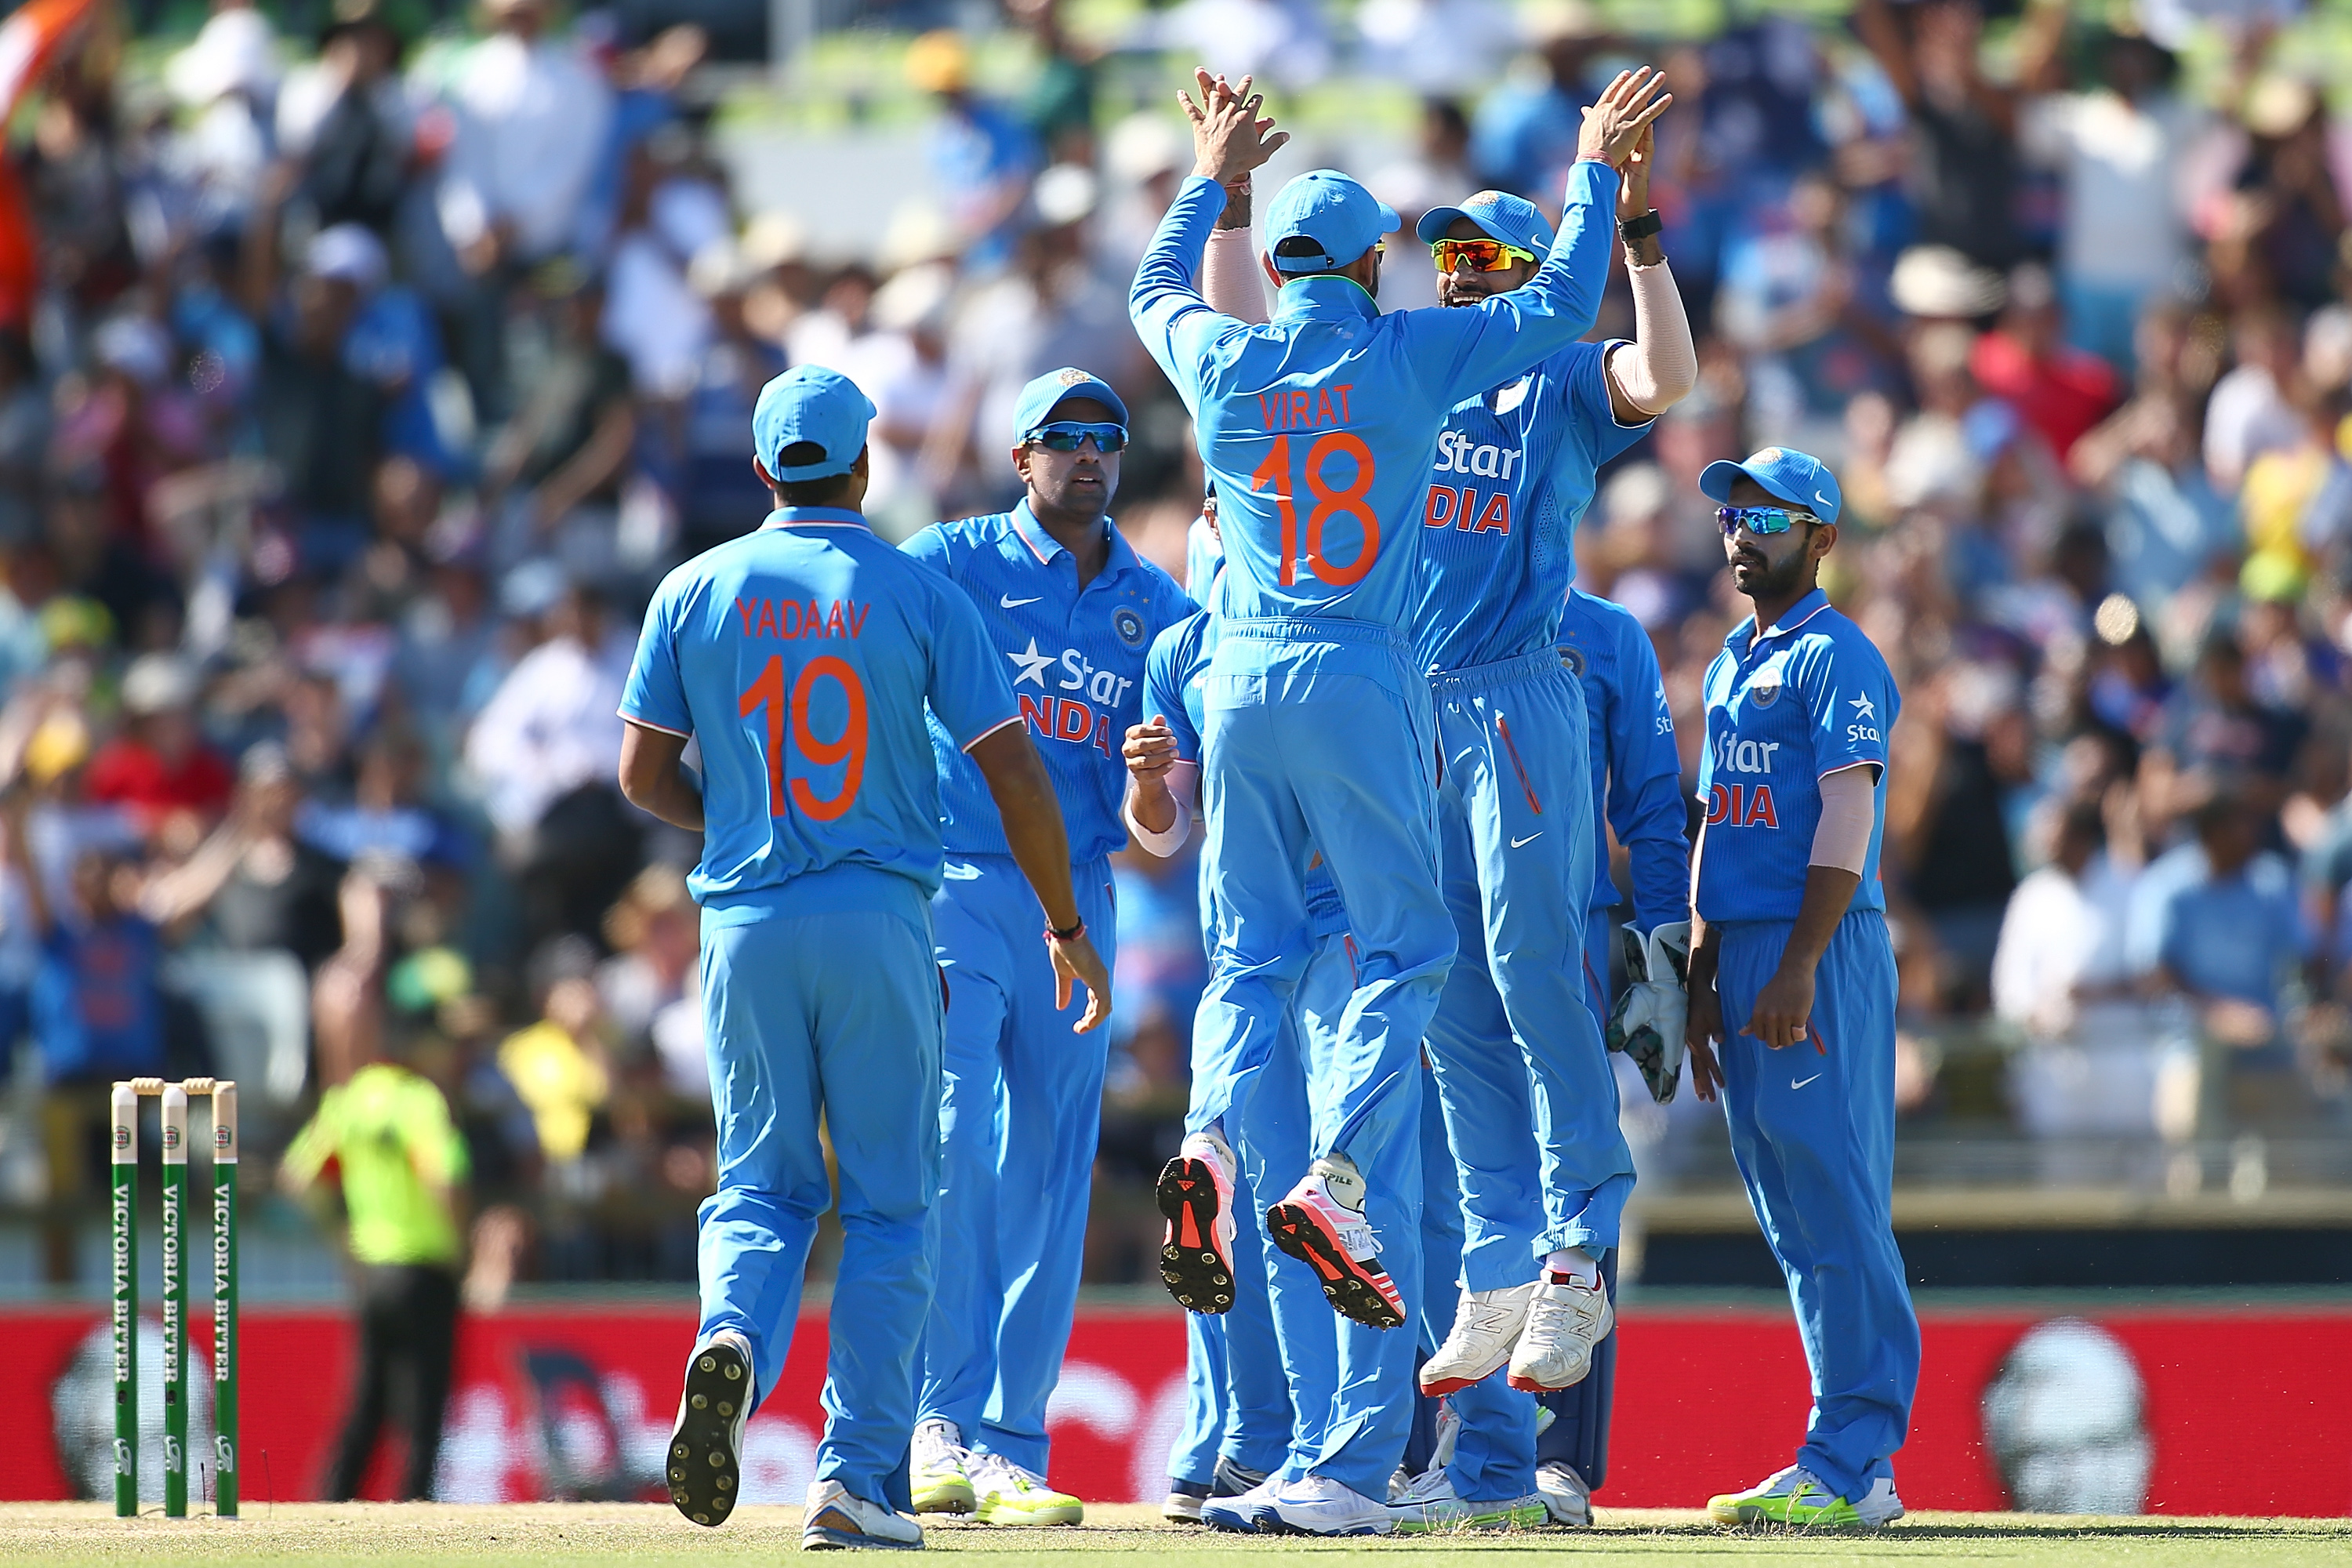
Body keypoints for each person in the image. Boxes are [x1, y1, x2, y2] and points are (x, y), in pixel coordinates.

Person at [1127, 67, 1666, 1536]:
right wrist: (1593, 172)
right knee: (1412, 952)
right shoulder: (1412, 354)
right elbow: (1566, 303)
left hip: (1235, 676)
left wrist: (1210, 176)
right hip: (1365, 674)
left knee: (1246, 959)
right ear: (1374, 267)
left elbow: (1154, 287)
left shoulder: (1226, 362)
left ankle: (1208, 1145)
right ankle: (1336, 1176)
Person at [617, 365, 1109, 1551]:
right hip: (883, 917)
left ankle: (731, 1336)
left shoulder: (692, 586)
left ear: (761, 469)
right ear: (864, 463)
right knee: (893, 1202)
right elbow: (1013, 772)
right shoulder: (917, 589)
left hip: (744, 924)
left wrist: (741, 822)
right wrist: (1065, 925)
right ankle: (856, 1478)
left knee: (761, 1184)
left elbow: (640, 774)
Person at [901, 368, 1191, 1527]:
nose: (1086, 454)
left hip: (1083, 902)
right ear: (1019, 455)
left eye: (1104, 437)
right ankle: (934, 1419)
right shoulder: (948, 560)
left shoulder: (1157, 604)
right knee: (954, 1139)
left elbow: (1160, 836)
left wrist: (1152, 788)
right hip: (957, 882)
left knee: (1053, 1173)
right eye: (1061, 437)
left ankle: (1010, 1441)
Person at [1681, 446, 1915, 1529]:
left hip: (1815, 949)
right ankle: (1839, 1450)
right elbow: (1719, 825)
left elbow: (1849, 814)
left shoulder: (1838, 655)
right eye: (1734, 516)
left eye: (1769, 517)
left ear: (1822, 538)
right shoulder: (1732, 659)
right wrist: (1701, 973)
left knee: (1838, 1198)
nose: (1744, 533)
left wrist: (1801, 963)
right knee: (1792, 1212)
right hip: (1748, 952)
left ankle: (1857, 1459)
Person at [1124, 493, 1341, 1529]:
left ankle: (1289, 1438)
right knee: (1265, 1196)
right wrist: (1148, 789)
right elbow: (1160, 833)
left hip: (1318, 936)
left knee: (1296, 1191)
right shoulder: (1181, 648)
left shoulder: (1330, 615)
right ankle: (1270, 1439)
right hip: (1252, 936)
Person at [1533, 583, 1692, 1526]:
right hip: (1445, 935)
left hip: (1573, 936)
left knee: (1574, 1177)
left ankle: (1558, 1455)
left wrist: (1663, 961)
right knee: (1437, 1181)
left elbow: (1651, 809)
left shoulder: (1607, 633)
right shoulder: (1411, 600)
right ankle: (1435, 1447)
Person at [279, 1030, 470, 1502]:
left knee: (367, 1400)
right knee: (425, 1404)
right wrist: (459, 1245)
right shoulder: (419, 1100)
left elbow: (296, 1177)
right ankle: (415, 1506)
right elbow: (445, 1177)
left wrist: (341, 1233)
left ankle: (331, 1504)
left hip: (370, 1270)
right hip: (424, 1266)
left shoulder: (347, 1101)